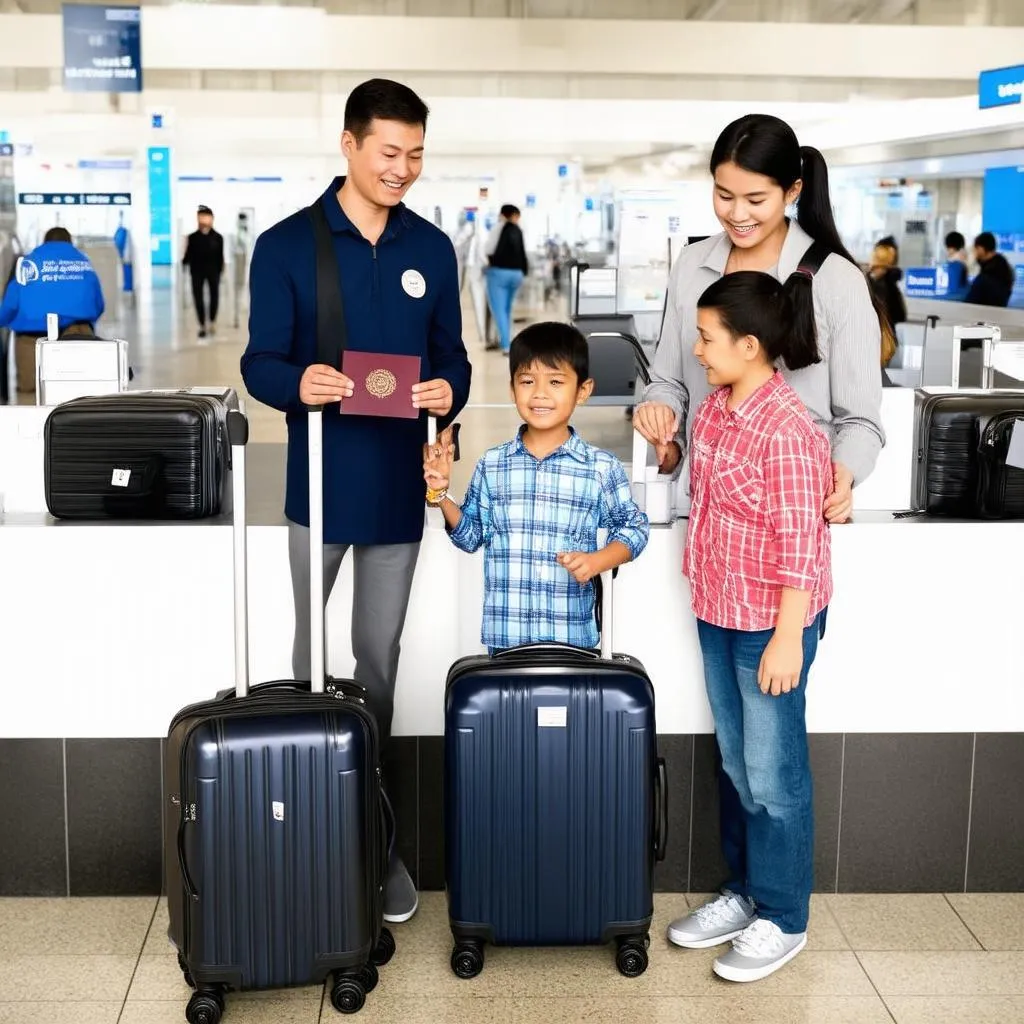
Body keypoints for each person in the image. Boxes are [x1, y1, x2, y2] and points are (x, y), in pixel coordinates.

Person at [240, 78, 472, 924]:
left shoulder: (432, 249)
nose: (402, 169)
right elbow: (258, 362)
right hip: (315, 489)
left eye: (415, 154)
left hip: (396, 492)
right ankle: (306, 831)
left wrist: (447, 388)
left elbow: (456, 361)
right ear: (348, 144)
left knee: (380, 666)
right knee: (310, 662)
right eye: (388, 152)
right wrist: (294, 380)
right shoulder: (287, 246)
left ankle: (375, 842)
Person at [666, 271, 832, 983]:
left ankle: (785, 916)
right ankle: (746, 894)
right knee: (737, 764)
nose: (698, 351)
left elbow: (803, 543)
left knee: (774, 773)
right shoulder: (713, 410)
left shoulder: (788, 429)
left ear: (751, 345)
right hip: (718, 609)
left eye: (707, 339)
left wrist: (789, 637)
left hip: (772, 621)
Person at [633, 114, 885, 526]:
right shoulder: (691, 266)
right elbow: (669, 380)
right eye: (723, 195)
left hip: (794, 513)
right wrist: (663, 420)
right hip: (706, 511)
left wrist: (844, 473)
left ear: (792, 191)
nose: (736, 214)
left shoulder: (837, 280)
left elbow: (860, 419)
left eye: (755, 200)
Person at [423, 321, 648, 654]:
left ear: (583, 391)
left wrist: (600, 560)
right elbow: (471, 536)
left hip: (572, 638)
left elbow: (634, 528)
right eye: (527, 381)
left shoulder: (600, 467)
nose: (540, 394)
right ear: (513, 389)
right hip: (506, 640)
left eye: (556, 382)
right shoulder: (493, 464)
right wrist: (440, 494)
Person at [0, 226, 105, 394]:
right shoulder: (83, 262)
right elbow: (98, 303)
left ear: (45, 242)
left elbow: (11, 302)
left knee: (30, 392)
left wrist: (3, 319)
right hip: (77, 331)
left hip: (31, 335)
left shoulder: (29, 262)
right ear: (70, 242)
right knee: (76, 387)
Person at [485, 204, 530, 354]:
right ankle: (507, 339)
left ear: (502, 215)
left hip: (499, 273)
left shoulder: (498, 228)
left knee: (499, 311)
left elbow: (488, 249)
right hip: (516, 274)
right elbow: (523, 253)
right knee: (507, 310)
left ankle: (506, 345)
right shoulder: (518, 230)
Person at [182, 206, 225, 338]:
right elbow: (188, 255)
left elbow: (220, 256)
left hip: (213, 272)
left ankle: (212, 321)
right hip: (197, 272)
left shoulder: (218, 237)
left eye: (205, 217)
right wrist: (184, 261)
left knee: (214, 297)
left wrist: (220, 270)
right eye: (200, 217)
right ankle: (202, 324)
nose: (203, 220)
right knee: (198, 298)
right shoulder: (192, 237)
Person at [865, 236, 905, 360]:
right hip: (880, 344)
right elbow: (900, 315)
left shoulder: (878, 284)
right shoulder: (884, 285)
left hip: (877, 344)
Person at [965, 231, 1015, 308]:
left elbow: (968, 305)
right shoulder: (1005, 268)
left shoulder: (984, 278)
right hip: (1000, 314)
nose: (974, 253)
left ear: (981, 249)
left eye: (975, 249)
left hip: (982, 315)